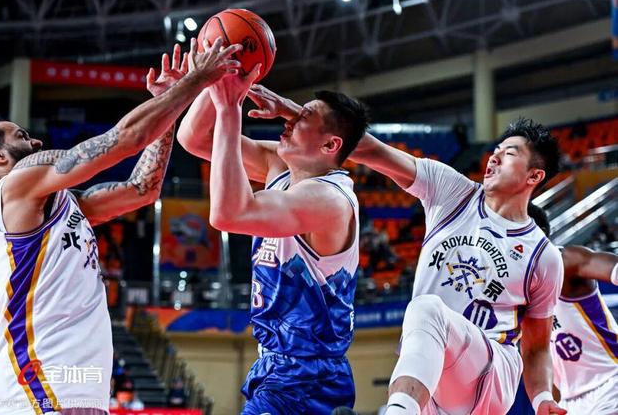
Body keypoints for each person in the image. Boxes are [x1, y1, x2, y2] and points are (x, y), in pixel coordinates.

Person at [213, 85, 566, 414]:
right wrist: (297, 115)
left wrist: (543, 398)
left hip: (492, 370)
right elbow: (366, 149)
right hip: (434, 376)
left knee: (427, 309)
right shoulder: (452, 192)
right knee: (426, 322)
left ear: (534, 176)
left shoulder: (543, 255)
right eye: (495, 150)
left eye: (508, 154)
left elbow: (536, 346)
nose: (493, 158)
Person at [0, 38, 240, 415]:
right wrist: (194, 81)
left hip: (66, 388)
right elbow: (123, 139)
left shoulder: (61, 203)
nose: (36, 140)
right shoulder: (15, 185)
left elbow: (142, 189)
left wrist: (168, 107)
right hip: (38, 387)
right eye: (21, 136)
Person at [165, 58, 369, 413]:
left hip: (307, 374)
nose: (288, 120)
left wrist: (230, 107)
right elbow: (194, 138)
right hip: (278, 365)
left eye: (302, 118)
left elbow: (228, 214)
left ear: (329, 145)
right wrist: (214, 77)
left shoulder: (329, 200)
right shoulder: (280, 167)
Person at [528, 204, 618, 414]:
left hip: (611, 381)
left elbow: (605, 265)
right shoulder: (518, 288)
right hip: (570, 399)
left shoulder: (565, 262)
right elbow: (540, 355)